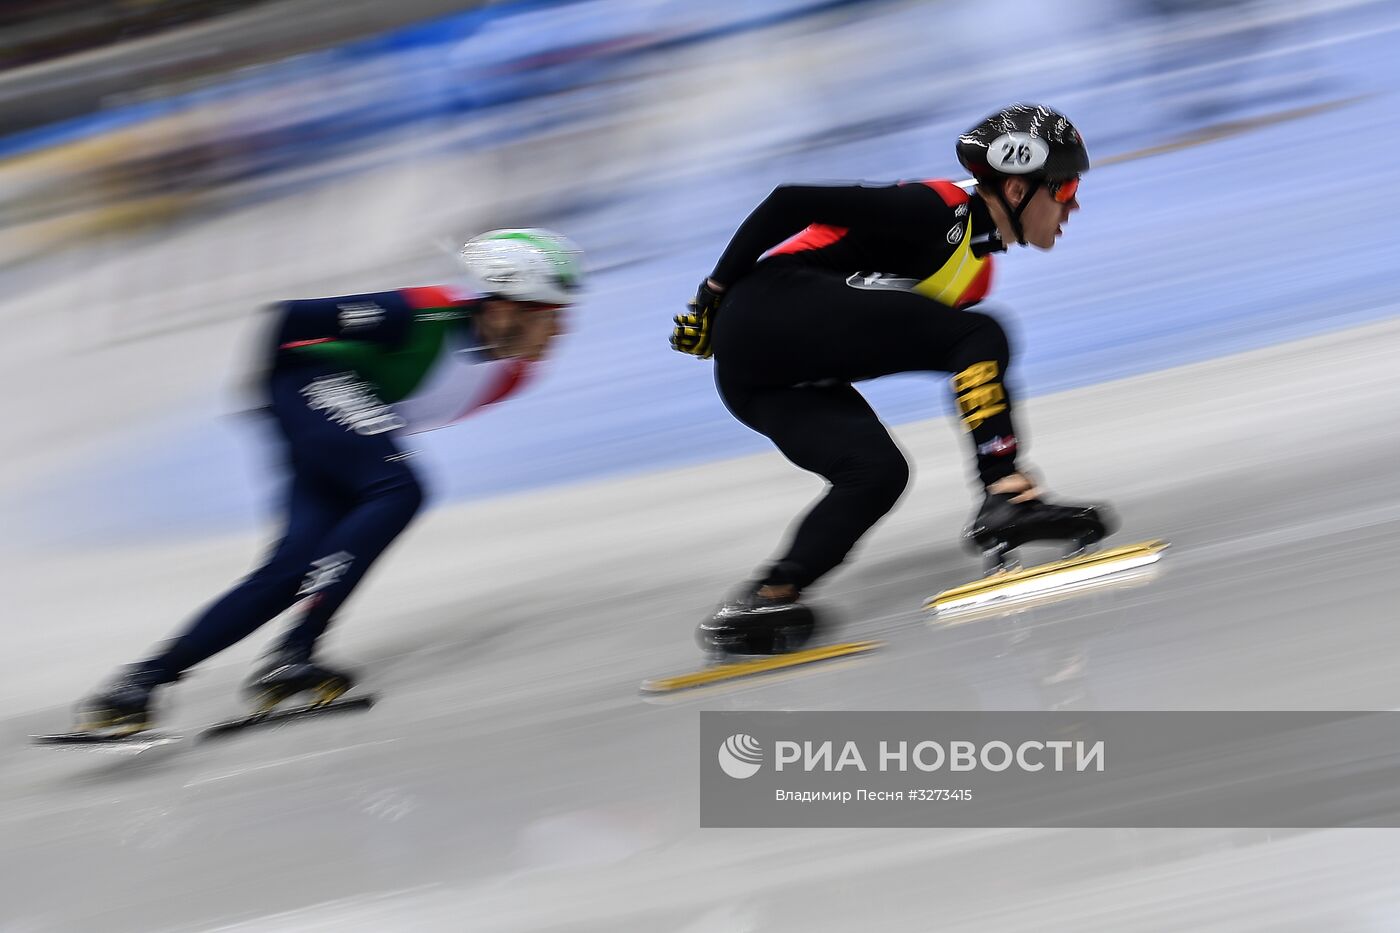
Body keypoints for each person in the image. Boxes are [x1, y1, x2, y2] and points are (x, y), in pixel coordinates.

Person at [77, 229, 584, 734]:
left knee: (292, 569)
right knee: (399, 487)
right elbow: (289, 321)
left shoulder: (513, 377)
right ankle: (294, 650)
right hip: (308, 385)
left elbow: (388, 416)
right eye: (550, 314)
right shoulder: (423, 313)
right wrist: (277, 406)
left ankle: (139, 684)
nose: (560, 331)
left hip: (344, 426)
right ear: (502, 306)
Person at [672, 104, 1113, 656]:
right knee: (980, 335)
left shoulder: (974, 273)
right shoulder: (937, 207)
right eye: (1066, 187)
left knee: (876, 474)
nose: (1074, 204)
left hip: (759, 378)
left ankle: (765, 598)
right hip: (770, 306)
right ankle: (1006, 495)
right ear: (1019, 190)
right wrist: (710, 295)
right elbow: (789, 201)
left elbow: (897, 337)